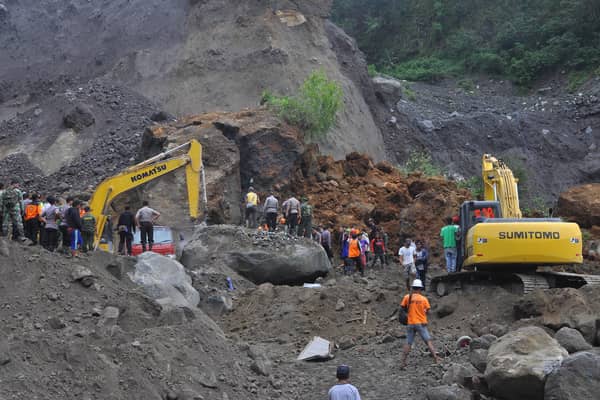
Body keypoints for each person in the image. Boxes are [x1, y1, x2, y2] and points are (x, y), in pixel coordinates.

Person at [400, 279, 442, 368]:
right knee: (428, 341)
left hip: (410, 323)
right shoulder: (424, 299)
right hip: (421, 323)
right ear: (420, 289)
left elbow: (402, 308)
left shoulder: (407, 297)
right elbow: (427, 310)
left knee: (408, 342)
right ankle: (436, 358)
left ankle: (403, 362)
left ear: (413, 288)